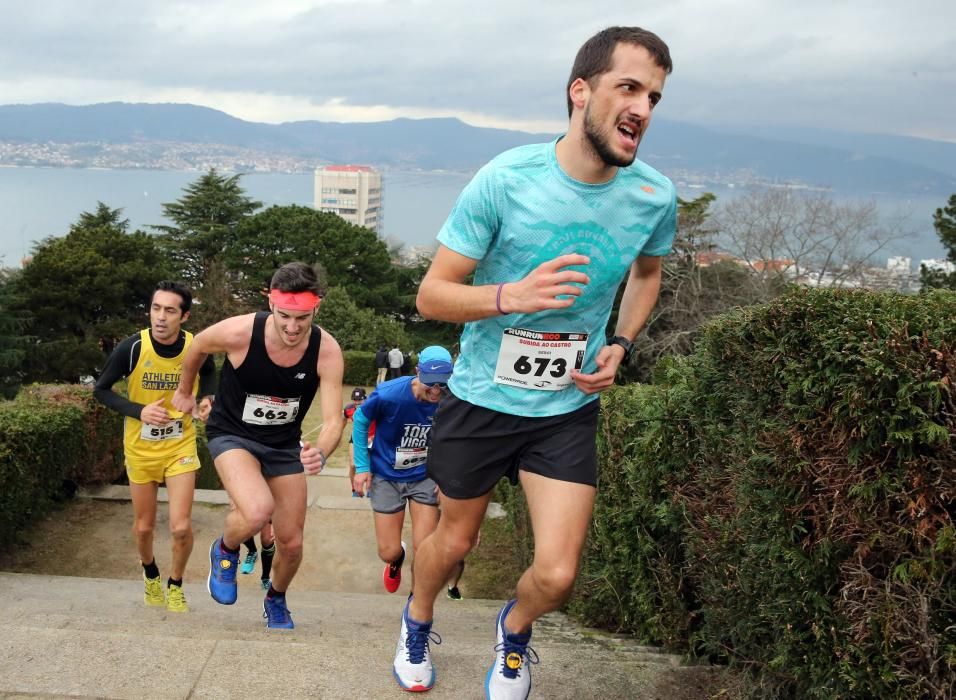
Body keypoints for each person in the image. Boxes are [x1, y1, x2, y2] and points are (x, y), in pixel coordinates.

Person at [391, 26, 676, 697]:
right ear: (581, 92)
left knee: (556, 575)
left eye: (655, 97)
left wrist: (622, 343)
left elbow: (648, 273)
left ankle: (513, 633)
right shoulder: (506, 179)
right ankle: (418, 616)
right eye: (628, 87)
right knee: (452, 546)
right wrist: (508, 296)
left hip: (567, 406)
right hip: (482, 399)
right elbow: (431, 293)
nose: (642, 107)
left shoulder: (653, 196)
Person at [171, 261, 345, 629]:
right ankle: (226, 549)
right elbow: (198, 345)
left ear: (317, 307)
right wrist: (186, 391)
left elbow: (333, 420)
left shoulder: (326, 350)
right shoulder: (239, 333)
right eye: (284, 316)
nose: (293, 327)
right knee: (255, 510)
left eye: (303, 317)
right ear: (271, 303)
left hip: (283, 445)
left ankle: (276, 598)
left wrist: (322, 450)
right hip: (233, 434)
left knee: (292, 543)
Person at [93, 280, 216, 613]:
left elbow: (210, 372)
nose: (160, 317)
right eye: (156, 308)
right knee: (144, 526)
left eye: (170, 310)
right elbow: (101, 390)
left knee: (180, 526)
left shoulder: (196, 346)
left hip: (180, 446)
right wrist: (140, 411)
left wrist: (207, 399)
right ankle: (150, 572)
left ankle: (175, 584)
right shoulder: (131, 348)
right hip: (140, 450)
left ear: (185, 316)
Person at [351, 346, 453, 597]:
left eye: (443, 384)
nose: (436, 391)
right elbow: (361, 420)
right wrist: (362, 467)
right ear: (418, 372)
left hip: (425, 476)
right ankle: (397, 561)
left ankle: (416, 602)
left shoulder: (453, 399)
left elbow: (459, 440)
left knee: (426, 547)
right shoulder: (389, 394)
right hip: (387, 475)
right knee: (387, 551)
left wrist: (448, 477)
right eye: (431, 383)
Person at [344, 386, 376, 497]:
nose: (357, 402)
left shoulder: (372, 408)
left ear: (365, 398)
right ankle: (355, 490)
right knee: (353, 465)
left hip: (372, 438)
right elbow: (342, 422)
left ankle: (370, 489)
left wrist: (373, 437)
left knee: (371, 465)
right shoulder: (348, 409)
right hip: (356, 437)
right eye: (355, 400)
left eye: (360, 400)